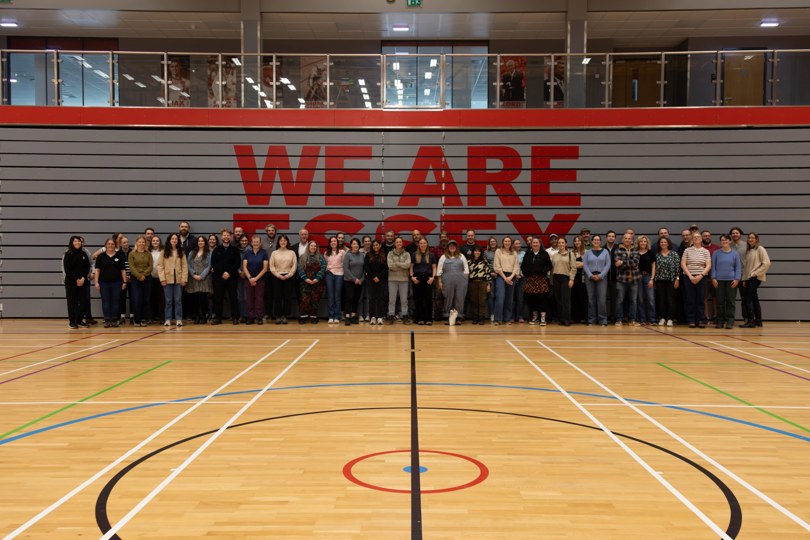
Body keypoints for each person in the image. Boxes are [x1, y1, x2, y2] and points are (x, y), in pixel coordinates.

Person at [210, 229, 242, 325]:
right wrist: (222, 273)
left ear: (230, 237)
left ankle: (235, 317)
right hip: (219, 278)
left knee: (233, 298)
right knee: (218, 298)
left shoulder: (235, 250)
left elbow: (237, 263)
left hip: (231, 278)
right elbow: (213, 264)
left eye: (228, 235)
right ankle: (218, 318)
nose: (226, 237)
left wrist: (229, 273)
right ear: (221, 237)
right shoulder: (216, 250)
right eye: (224, 235)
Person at [680, 232, 712, 328]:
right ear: (692, 239)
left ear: (701, 239)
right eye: (694, 237)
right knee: (690, 299)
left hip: (702, 278)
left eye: (698, 237)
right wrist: (690, 276)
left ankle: (701, 320)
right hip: (688, 277)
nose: (696, 238)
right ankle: (691, 320)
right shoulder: (687, 250)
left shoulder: (705, 251)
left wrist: (701, 275)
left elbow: (708, 265)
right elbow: (683, 264)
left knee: (701, 299)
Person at [741, 232, 771, 328]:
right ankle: (758, 321)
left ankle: (751, 321)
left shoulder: (760, 249)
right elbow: (747, 267)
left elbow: (766, 263)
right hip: (749, 278)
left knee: (748, 298)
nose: (750, 239)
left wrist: (756, 273)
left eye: (752, 238)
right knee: (754, 299)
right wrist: (744, 279)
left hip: (755, 277)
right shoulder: (749, 250)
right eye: (749, 238)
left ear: (756, 239)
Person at [94, 238, 127, 328]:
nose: (110, 245)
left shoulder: (119, 256)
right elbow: (97, 271)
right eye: (108, 244)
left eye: (112, 244)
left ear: (115, 245)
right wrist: (96, 282)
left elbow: (123, 270)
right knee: (106, 301)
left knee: (116, 301)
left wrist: (124, 282)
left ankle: (114, 320)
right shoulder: (101, 257)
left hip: (117, 283)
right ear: (106, 245)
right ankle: (107, 320)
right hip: (104, 283)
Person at [711, 234, 741, 329]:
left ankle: (730, 321)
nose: (724, 242)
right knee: (719, 301)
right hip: (719, 281)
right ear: (721, 242)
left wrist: (737, 279)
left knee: (730, 302)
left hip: (731, 281)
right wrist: (713, 278)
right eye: (723, 240)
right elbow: (713, 267)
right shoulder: (716, 253)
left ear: (730, 241)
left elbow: (738, 268)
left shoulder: (735, 254)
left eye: (726, 240)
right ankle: (720, 321)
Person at [158, 233, 188, 327]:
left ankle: (179, 319)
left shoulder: (181, 252)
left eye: (176, 239)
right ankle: (167, 319)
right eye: (172, 239)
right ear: (169, 240)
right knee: (168, 300)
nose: (174, 240)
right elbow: (160, 266)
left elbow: (185, 266)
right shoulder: (164, 251)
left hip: (178, 279)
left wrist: (184, 279)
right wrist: (162, 278)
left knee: (178, 300)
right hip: (167, 279)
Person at [437, 240, 469, 325]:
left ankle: (459, 317)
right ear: (447, 247)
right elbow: (439, 270)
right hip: (447, 280)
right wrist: (440, 281)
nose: (452, 247)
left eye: (454, 246)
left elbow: (466, 269)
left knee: (459, 298)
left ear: (456, 247)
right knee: (448, 297)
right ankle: (447, 316)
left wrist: (465, 280)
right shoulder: (443, 257)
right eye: (450, 246)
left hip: (461, 280)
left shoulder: (461, 256)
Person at [521, 237, 552, 325]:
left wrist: (542, 271)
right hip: (530, 279)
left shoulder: (544, 253)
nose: (535, 244)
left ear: (540, 244)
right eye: (533, 243)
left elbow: (549, 266)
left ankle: (542, 318)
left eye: (536, 243)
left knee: (542, 298)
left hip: (541, 279)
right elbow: (523, 266)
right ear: (531, 244)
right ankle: (534, 317)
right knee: (531, 298)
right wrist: (527, 273)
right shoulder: (528, 254)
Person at [63, 235, 91, 329]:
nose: (77, 243)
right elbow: (67, 269)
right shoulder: (68, 254)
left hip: (82, 282)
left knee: (84, 302)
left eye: (78, 241)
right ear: (71, 243)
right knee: (72, 302)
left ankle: (79, 320)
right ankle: (72, 322)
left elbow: (87, 267)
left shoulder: (83, 254)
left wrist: (83, 278)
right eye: (75, 241)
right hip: (71, 282)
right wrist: (77, 279)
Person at [583, 235, 611, 326]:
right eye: (594, 240)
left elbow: (608, 265)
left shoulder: (605, 252)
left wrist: (601, 275)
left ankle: (603, 320)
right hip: (590, 278)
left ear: (600, 241)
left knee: (602, 299)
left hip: (602, 278)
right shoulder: (587, 252)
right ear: (592, 242)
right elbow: (585, 265)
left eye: (598, 240)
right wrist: (590, 275)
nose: (596, 241)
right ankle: (591, 319)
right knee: (591, 299)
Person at [614, 232, 640, 327]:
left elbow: (636, 262)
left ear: (632, 240)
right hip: (621, 279)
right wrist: (630, 263)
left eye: (629, 238)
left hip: (634, 279)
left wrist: (622, 262)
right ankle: (619, 320)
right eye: (626, 238)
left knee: (633, 300)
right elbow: (617, 265)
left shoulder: (636, 250)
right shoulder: (618, 250)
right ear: (622, 240)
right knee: (620, 300)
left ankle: (632, 320)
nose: (627, 240)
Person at [269, 234, 297, 324]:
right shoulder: (274, 253)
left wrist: (288, 275)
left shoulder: (292, 253)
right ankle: (278, 316)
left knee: (287, 298)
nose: (283, 242)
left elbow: (294, 266)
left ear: (287, 242)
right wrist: (278, 275)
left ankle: (285, 316)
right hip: (277, 277)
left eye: (284, 241)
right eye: (281, 240)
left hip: (288, 277)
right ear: (278, 242)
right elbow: (271, 266)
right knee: (277, 297)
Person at [493, 236, 520, 326]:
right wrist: (505, 278)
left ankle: (507, 319)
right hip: (501, 276)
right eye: (505, 241)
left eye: (509, 241)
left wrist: (511, 277)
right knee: (500, 298)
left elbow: (516, 267)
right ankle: (497, 319)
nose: (507, 243)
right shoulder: (498, 251)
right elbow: (497, 266)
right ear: (503, 242)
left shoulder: (514, 253)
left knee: (509, 299)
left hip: (511, 276)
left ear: (511, 243)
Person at [653, 236, 680, 327]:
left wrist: (677, 279)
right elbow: (655, 268)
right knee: (661, 300)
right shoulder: (657, 255)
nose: (663, 244)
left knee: (671, 300)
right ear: (659, 244)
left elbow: (677, 268)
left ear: (668, 243)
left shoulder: (674, 254)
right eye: (661, 242)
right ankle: (662, 318)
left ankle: (670, 319)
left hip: (671, 280)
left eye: (665, 242)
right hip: (660, 280)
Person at [242, 235, 269, 324]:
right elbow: (244, 267)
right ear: (251, 242)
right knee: (249, 299)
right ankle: (250, 317)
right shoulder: (247, 253)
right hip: (248, 280)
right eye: (254, 242)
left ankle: (259, 317)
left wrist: (255, 279)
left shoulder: (264, 253)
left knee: (259, 299)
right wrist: (250, 278)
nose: (256, 243)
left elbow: (265, 268)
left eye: (257, 242)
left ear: (260, 243)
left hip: (260, 280)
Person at [298, 240, 326, 324]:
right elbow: (300, 268)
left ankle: (313, 316)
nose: (313, 247)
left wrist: (317, 278)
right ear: (308, 247)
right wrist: (305, 278)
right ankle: (303, 316)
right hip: (305, 282)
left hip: (317, 282)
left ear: (317, 248)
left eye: (315, 246)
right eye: (311, 246)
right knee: (305, 300)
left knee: (315, 300)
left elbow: (323, 268)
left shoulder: (321, 257)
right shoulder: (302, 257)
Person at [186, 235, 212, 324]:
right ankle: (196, 316)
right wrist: (193, 274)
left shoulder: (208, 252)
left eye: (202, 241)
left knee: (203, 299)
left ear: (205, 242)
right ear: (197, 243)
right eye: (199, 241)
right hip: (193, 279)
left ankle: (203, 316)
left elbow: (209, 265)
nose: (200, 242)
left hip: (204, 279)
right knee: (195, 299)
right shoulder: (192, 252)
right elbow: (188, 264)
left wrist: (202, 275)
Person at [128, 235, 153, 327]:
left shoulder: (148, 254)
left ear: (145, 243)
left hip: (147, 278)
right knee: (137, 299)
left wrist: (144, 275)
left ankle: (143, 319)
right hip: (135, 279)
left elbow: (151, 266)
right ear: (136, 243)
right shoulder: (132, 254)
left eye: (143, 242)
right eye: (140, 242)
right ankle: (137, 319)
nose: (141, 243)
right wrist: (139, 276)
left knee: (146, 299)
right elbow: (131, 267)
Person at [410, 237, 437, 325]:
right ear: (419, 244)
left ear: (427, 244)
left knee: (428, 299)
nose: (423, 245)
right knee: (418, 299)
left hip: (428, 278)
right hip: (417, 278)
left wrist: (433, 277)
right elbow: (411, 267)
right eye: (421, 243)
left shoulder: (431, 255)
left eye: (424, 243)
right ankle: (420, 318)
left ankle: (428, 318)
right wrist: (412, 277)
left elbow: (434, 267)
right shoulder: (414, 254)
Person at [551, 237, 576, 326]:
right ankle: (561, 319)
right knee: (558, 300)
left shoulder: (570, 254)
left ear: (565, 244)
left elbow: (573, 268)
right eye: (559, 243)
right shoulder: (554, 256)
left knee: (566, 300)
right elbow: (552, 268)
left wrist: (571, 279)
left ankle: (567, 319)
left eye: (562, 243)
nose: (560, 244)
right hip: (556, 278)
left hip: (565, 278)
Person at [387, 236, 412, 324]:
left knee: (404, 299)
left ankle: (405, 316)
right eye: (397, 242)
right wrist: (402, 265)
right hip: (392, 279)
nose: (399, 243)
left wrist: (397, 263)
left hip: (404, 279)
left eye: (400, 242)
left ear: (402, 243)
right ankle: (391, 316)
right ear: (394, 243)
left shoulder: (407, 254)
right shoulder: (390, 253)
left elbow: (407, 265)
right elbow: (390, 266)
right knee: (392, 299)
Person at [365, 239, 388, 325]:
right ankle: (373, 317)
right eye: (374, 245)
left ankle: (380, 317)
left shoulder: (384, 255)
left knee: (380, 298)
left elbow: (386, 268)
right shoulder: (368, 255)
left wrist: (379, 277)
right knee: (372, 298)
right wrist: (373, 276)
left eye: (377, 245)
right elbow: (367, 267)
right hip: (370, 278)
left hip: (381, 279)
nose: (375, 246)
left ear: (380, 245)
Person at [343, 238, 365, 325]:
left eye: (357, 244)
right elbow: (346, 269)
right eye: (354, 244)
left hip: (359, 282)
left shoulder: (362, 255)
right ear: (351, 245)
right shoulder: (348, 255)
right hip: (349, 281)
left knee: (356, 299)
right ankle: (347, 316)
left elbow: (364, 269)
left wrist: (361, 279)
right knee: (349, 298)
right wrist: (354, 279)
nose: (356, 245)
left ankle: (353, 315)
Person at [466, 245, 491, 325]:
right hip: (472, 283)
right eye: (475, 251)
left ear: (481, 252)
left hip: (482, 283)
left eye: (479, 251)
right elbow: (467, 274)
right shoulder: (469, 262)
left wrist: (488, 285)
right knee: (474, 301)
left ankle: (481, 318)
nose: (477, 252)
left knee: (482, 301)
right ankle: (475, 317)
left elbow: (488, 273)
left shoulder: (484, 261)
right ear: (473, 252)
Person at [324, 236, 345, 324]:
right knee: (331, 296)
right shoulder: (326, 253)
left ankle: (337, 316)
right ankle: (331, 316)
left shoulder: (342, 252)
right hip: (329, 274)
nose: (333, 242)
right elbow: (325, 264)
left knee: (337, 296)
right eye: (331, 241)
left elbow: (344, 263)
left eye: (335, 241)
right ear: (329, 243)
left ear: (337, 242)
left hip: (339, 274)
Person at [636, 235, 656, 325]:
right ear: (638, 243)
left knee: (650, 299)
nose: (643, 243)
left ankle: (652, 319)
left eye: (645, 241)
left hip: (648, 276)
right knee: (640, 299)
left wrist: (652, 278)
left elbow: (653, 266)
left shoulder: (651, 252)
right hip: (638, 277)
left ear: (647, 243)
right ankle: (642, 319)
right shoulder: (635, 252)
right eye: (641, 241)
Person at [729, 226, 748, 321]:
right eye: (733, 233)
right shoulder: (729, 246)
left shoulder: (746, 245)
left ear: (740, 234)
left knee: (745, 298)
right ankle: (729, 318)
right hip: (732, 276)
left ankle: (746, 318)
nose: (735, 234)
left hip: (744, 275)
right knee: (730, 298)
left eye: (737, 233)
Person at [571, 235, 588, 323]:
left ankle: (584, 317)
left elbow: (587, 265)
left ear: (581, 242)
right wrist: (580, 264)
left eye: (578, 241)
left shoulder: (587, 252)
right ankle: (575, 318)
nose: (577, 242)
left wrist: (579, 264)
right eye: (575, 241)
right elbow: (571, 265)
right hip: (574, 279)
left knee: (583, 298)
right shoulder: (571, 253)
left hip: (584, 279)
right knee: (574, 298)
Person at [148, 235, 165, 323]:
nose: (155, 242)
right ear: (151, 242)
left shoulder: (163, 251)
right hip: (150, 277)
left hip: (161, 278)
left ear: (160, 242)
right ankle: (151, 317)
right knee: (151, 298)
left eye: (157, 240)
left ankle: (161, 317)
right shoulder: (148, 251)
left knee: (161, 299)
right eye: (153, 241)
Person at [117, 236, 133, 325]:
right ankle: (122, 316)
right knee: (121, 298)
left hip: (132, 279)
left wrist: (130, 277)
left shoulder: (133, 252)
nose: (126, 244)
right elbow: (117, 268)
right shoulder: (118, 254)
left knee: (133, 298)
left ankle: (132, 316)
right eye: (124, 242)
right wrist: (124, 278)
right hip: (122, 280)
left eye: (127, 242)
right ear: (120, 244)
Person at [511, 238, 527, 323]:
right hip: (512, 277)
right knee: (512, 298)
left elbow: (525, 266)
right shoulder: (510, 254)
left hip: (521, 278)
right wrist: (514, 274)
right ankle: (512, 317)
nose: (518, 245)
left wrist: (520, 274)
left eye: (519, 244)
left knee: (520, 298)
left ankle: (520, 316)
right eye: (516, 244)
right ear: (513, 245)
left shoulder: (524, 254)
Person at [236, 234, 251, 323]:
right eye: (242, 241)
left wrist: (246, 273)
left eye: (245, 241)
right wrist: (239, 271)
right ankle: (242, 315)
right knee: (240, 297)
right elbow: (234, 262)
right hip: (238, 276)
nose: (244, 242)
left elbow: (253, 263)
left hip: (248, 276)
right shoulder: (237, 251)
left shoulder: (251, 250)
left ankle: (248, 315)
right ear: (240, 241)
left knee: (247, 297)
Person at [484, 236, 498, 322]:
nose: (492, 243)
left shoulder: (500, 251)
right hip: (490, 276)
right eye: (491, 242)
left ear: (496, 242)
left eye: (494, 241)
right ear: (489, 243)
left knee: (499, 296)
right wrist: (490, 273)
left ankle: (498, 314)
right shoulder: (485, 253)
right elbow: (485, 265)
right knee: (491, 296)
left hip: (500, 275)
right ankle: (492, 314)